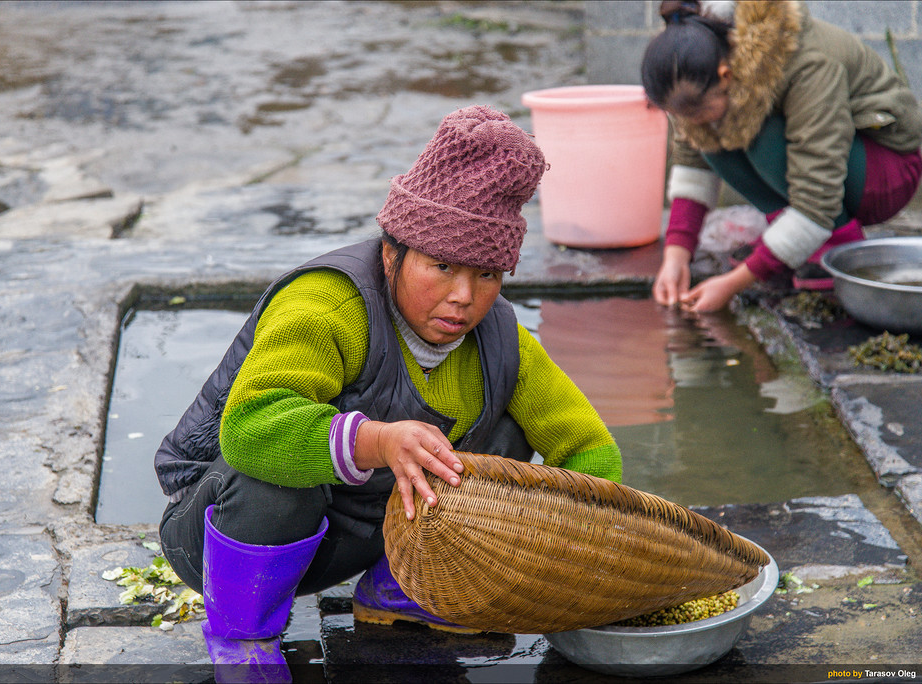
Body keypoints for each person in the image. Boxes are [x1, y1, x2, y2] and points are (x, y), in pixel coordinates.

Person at [153, 105, 622, 681]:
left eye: (487, 275)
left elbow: (591, 450)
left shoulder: (501, 337)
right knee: (274, 478)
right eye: (442, 266)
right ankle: (242, 638)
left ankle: (399, 588)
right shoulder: (329, 304)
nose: (464, 298)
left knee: (512, 430)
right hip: (226, 531)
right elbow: (248, 431)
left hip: (370, 534)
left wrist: (572, 544)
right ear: (391, 251)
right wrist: (378, 441)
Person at [642, 0, 922, 312]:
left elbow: (819, 194)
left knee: (756, 133)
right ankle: (789, 245)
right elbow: (692, 156)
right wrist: (676, 256)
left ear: (725, 75)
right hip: (829, 171)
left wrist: (736, 281)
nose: (696, 122)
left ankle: (834, 243)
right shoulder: (697, 68)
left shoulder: (807, 63)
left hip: (885, 169)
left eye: (701, 110)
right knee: (711, 135)